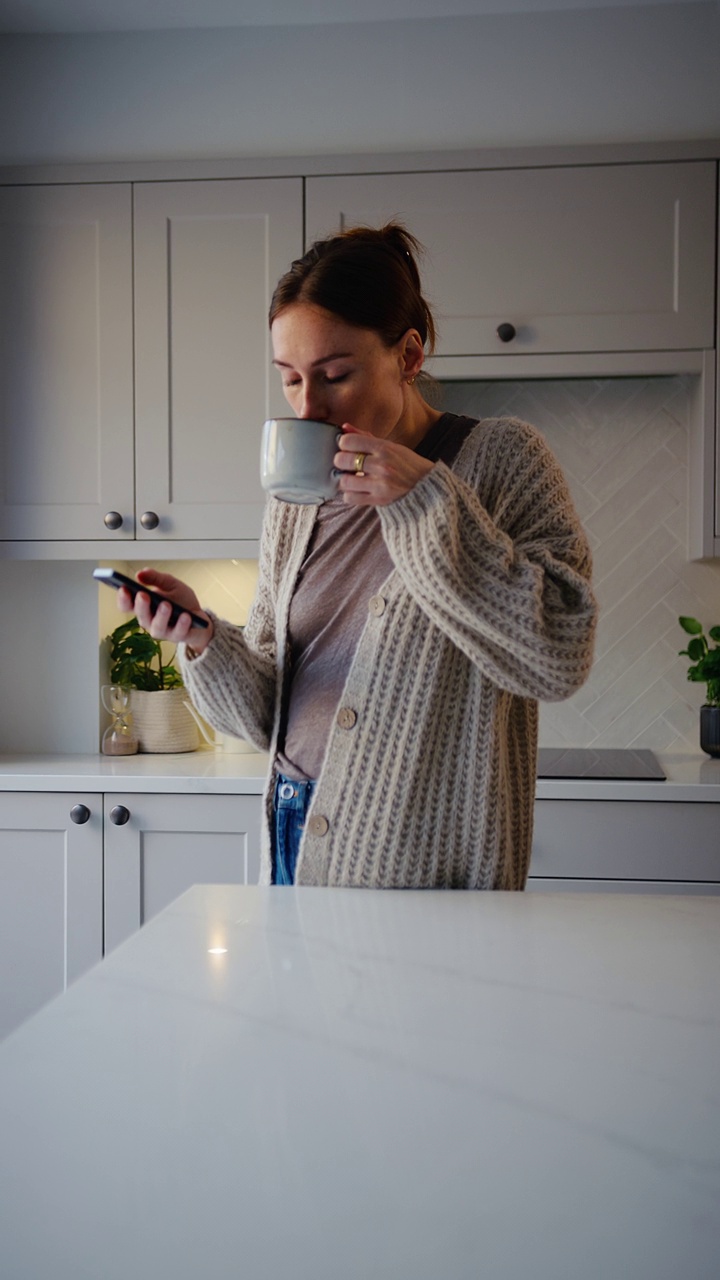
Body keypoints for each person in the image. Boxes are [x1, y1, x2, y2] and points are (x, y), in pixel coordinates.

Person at [120, 223, 597, 890]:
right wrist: (200, 637)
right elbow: (265, 719)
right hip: (292, 828)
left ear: (407, 355)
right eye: (289, 379)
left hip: (426, 861)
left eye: (335, 375)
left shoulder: (503, 460)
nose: (308, 406)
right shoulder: (294, 501)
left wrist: (425, 502)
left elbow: (559, 656)